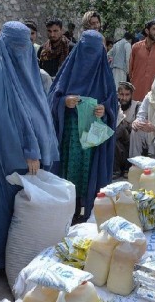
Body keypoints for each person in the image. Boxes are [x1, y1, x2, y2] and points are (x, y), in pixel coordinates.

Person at [0, 21, 59, 270]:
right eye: (17, 45)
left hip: (25, 155)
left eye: (26, 45)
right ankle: (3, 261)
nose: (22, 51)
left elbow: (35, 107)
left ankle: (24, 255)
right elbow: (6, 121)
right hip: (7, 155)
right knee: (5, 207)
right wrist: (30, 149)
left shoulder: (26, 68)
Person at [49, 29, 117, 222]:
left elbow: (112, 103)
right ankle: (67, 212)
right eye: (86, 50)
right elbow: (52, 97)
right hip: (69, 136)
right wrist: (64, 101)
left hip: (92, 137)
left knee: (89, 175)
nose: (89, 58)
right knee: (68, 174)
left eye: (94, 52)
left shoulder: (105, 76)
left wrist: (104, 109)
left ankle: (88, 215)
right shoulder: (68, 71)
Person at [129, 18, 155, 101]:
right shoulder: (136, 47)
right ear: (147, 31)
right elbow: (130, 71)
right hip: (136, 92)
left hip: (154, 94)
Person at [113, 82, 141, 178]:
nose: (124, 98)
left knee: (121, 127)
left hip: (132, 140)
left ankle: (127, 168)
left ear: (131, 95)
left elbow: (138, 124)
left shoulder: (137, 106)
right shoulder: (114, 105)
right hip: (118, 141)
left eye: (127, 95)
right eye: (121, 94)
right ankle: (116, 170)